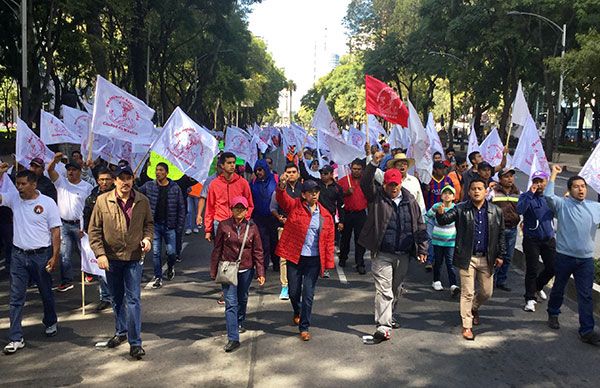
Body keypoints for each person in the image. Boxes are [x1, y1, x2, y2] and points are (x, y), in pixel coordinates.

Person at [359, 151, 428, 343]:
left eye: (396, 185)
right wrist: (373, 163)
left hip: (403, 253)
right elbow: (365, 182)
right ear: (384, 184)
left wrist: (422, 248)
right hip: (382, 252)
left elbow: (420, 225)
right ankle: (383, 325)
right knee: (384, 289)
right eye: (389, 185)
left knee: (396, 289)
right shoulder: (376, 198)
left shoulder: (410, 201)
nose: (393, 188)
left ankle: (389, 314)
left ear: (400, 183)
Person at [88, 165, 153, 359]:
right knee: (116, 298)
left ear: (133, 180)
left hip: (134, 258)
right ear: (114, 181)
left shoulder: (142, 201)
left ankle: (135, 343)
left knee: (133, 300)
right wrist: (100, 254)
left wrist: (147, 239)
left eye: (128, 178)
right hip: (112, 259)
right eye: (121, 178)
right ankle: (120, 332)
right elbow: (94, 231)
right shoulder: (102, 201)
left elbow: (149, 224)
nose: (125, 182)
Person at [0, 167, 61, 355]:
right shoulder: (13, 199)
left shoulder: (47, 203)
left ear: (33, 184)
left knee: (45, 293)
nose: (19, 187)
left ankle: (50, 321)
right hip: (18, 255)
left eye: (23, 184)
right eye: (18, 184)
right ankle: (16, 337)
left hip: (41, 256)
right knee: (16, 297)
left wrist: (54, 256)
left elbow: (56, 231)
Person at [436, 178, 506, 341]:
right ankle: (467, 325)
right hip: (467, 257)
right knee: (467, 292)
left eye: (480, 188)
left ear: (485, 191)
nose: (476, 191)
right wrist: (440, 214)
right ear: (469, 192)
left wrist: (501, 255)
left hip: (487, 258)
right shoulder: (461, 209)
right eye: (473, 188)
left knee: (487, 292)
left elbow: (501, 234)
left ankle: (474, 308)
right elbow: (445, 219)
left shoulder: (496, 211)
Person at [544, 165, 600, 345]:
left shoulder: (594, 207)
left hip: (586, 260)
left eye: (583, 186)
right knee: (559, 288)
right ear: (569, 190)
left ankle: (587, 330)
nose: (581, 189)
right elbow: (548, 196)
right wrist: (553, 174)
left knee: (585, 295)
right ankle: (553, 313)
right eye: (576, 186)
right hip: (564, 256)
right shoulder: (562, 204)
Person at [275, 178, 335, 341]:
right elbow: (282, 199)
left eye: (316, 192)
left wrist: (328, 262)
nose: (314, 195)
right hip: (295, 257)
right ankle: (297, 311)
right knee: (294, 292)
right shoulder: (295, 206)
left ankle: (304, 326)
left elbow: (329, 241)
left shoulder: (325, 215)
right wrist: (281, 187)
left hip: (314, 260)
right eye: (310, 192)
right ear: (304, 195)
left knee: (308, 293)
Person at [210, 196, 265, 352]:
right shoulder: (223, 226)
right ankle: (233, 338)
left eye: (242, 208)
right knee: (230, 303)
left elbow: (258, 251)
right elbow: (217, 248)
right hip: (228, 269)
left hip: (246, 269)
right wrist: (214, 269)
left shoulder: (253, 227)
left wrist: (260, 272)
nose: (239, 210)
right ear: (231, 209)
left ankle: (239, 321)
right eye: (236, 207)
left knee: (243, 297)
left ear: (247, 210)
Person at [48, 152, 93, 292]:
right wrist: (54, 161)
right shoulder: (61, 182)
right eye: (68, 170)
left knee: (83, 251)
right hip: (63, 224)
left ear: (79, 172)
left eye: (73, 170)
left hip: (79, 225)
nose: (70, 172)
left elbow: (89, 208)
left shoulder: (86, 187)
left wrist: (86, 226)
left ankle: (89, 272)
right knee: (64, 254)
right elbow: (49, 170)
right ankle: (67, 280)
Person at [139, 162, 186, 288]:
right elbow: (136, 193)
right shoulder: (149, 186)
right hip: (155, 226)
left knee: (171, 252)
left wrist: (179, 226)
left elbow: (181, 208)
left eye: (161, 170)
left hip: (170, 225)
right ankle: (158, 277)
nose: (158, 172)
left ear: (166, 172)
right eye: (156, 170)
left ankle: (170, 267)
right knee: (156, 253)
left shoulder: (175, 188)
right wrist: (133, 180)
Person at [516, 170, 555, 313]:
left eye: (541, 181)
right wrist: (530, 195)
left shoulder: (549, 198)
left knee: (553, 267)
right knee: (532, 269)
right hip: (531, 239)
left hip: (548, 238)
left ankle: (538, 286)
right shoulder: (526, 196)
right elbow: (520, 210)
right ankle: (530, 298)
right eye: (535, 181)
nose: (538, 185)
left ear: (546, 183)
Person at [299, 160, 344, 278]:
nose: (322, 175)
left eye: (325, 173)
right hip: (316, 217)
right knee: (317, 242)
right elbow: (305, 175)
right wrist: (300, 161)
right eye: (321, 173)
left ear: (331, 174)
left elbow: (341, 205)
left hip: (329, 220)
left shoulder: (337, 188)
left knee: (327, 244)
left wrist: (341, 221)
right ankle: (316, 265)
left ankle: (325, 268)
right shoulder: (317, 185)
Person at [82, 167, 116, 312]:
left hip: (116, 238)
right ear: (97, 180)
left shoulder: (119, 194)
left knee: (116, 268)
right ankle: (106, 297)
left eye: (107, 179)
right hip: (98, 237)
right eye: (101, 179)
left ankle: (118, 294)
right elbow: (87, 215)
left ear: (113, 180)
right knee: (101, 268)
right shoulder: (92, 197)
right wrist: (86, 232)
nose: (104, 182)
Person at [270, 162, 303, 299]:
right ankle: (285, 286)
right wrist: (279, 217)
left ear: (298, 174)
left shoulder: (304, 189)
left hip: (301, 228)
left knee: (300, 258)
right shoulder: (279, 189)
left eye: (293, 172)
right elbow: (272, 207)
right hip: (284, 228)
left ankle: (298, 285)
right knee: (284, 258)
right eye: (288, 172)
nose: (290, 175)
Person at [204, 152, 254, 241]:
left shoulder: (243, 183)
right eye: (229, 163)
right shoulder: (214, 184)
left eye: (233, 163)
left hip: (238, 222)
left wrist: (244, 218)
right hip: (220, 222)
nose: (232, 165)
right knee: (219, 252)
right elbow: (210, 207)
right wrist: (208, 229)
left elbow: (249, 204)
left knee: (236, 252)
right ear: (222, 165)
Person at [487, 167, 521, 292]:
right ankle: (490, 280)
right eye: (506, 176)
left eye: (511, 176)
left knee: (507, 257)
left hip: (512, 229)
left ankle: (501, 281)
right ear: (500, 179)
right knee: (494, 256)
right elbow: (484, 203)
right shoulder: (493, 192)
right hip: (496, 229)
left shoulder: (517, 192)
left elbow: (521, 208)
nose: (509, 179)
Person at [425, 185, 459, 295]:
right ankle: (436, 281)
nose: (447, 195)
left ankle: (453, 284)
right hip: (437, 240)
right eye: (445, 193)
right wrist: (429, 228)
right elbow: (428, 216)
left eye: (450, 193)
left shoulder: (456, 208)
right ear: (441, 196)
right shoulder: (437, 206)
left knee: (450, 263)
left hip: (451, 241)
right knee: (438, 262)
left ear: (454, 196)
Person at [338, 158, 368, 274]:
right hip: (347, 213)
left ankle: (360, 262)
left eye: (359, 169)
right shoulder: (343, 181)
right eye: (354, 169)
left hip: (360, 214)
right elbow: (337, 196)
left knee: (360, 239)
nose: (356, 171)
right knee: (345, 238)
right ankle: (343, 257)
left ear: (362, 170)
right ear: (350, 169)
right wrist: (346, 193)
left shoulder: (365, 181)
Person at [250, 159, 277, 272]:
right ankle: (262, 267)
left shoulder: (274, 180)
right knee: (262, 244)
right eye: (256, 170)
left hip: (273, 217)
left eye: (260, 170)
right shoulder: (252, 184)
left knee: (275, 242)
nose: (259, 172)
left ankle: (276, 264)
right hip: (259, 218)